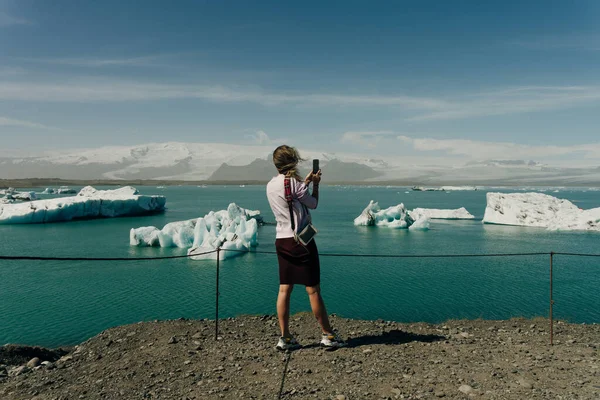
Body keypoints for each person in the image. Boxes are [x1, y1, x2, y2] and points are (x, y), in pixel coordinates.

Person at [266, 145, 346, 351]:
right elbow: (312, 203)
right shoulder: (295, 184)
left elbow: (291, 195)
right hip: (302, 242)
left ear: (276, 164)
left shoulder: (270, 185)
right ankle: (328, 335)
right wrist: (316, 185)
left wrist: (306, 181)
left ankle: (285, 338)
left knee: (284, 289)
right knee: (313, 290)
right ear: (293, 161)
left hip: (281, 241)